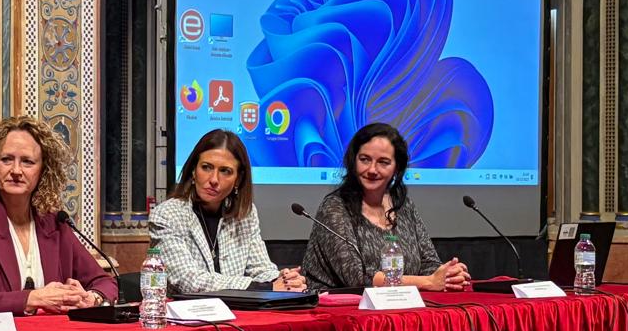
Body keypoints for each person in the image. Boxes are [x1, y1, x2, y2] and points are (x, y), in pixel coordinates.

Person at [0, 115, 119, 314]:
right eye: (6, 160)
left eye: (28, 162)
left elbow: (104, 282)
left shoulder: (55, 223)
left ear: (43, 171)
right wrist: (34, 298)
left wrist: (92, 298)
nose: (16, 170)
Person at [301, 121, 470, 292]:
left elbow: (428, 262)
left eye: (383, 162)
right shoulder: (334, 207)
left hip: (399, 305)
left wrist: (448, 275)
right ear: (353, 161)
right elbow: (356, 278)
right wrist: (427, 282)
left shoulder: (402, 205)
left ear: (397, 168)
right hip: (341, 310)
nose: (372, 169)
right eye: (365, 159)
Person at [148, 128, 309, 295]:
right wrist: (266, 286)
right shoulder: (167, 214)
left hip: (238, 314)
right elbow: (188, 279)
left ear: (238, 179)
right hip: (189, 315)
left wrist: (282, 280)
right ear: (194, 171)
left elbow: (260, 269)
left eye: (225, 171)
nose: (214, 180)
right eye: (206, 167)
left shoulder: (245, 213)